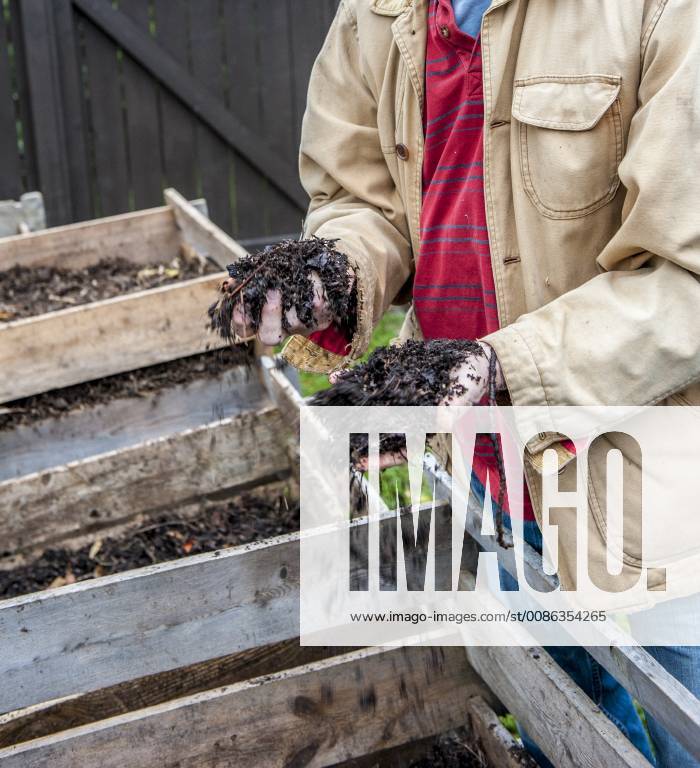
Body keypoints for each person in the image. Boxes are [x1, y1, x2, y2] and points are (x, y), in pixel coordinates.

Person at [225, 1, 700, 764]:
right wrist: (339, 269)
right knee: (565, 715)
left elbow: (688, 274)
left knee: (686, 723)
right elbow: (365, 197)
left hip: (655, 482)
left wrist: (502, 366)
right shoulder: (376, 13)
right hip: (488, 468)